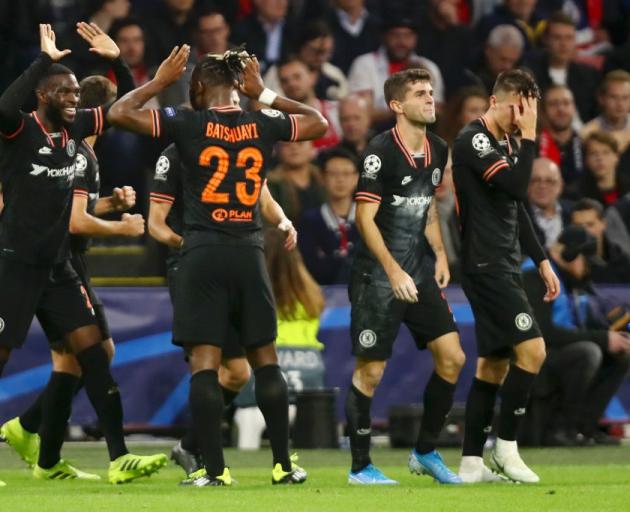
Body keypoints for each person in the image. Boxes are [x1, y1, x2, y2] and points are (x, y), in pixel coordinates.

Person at [107, 46, 328, 486]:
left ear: (200, 87)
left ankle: (214, 470)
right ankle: (284, 466)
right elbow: (318, 123)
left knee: (205, 364)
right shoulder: (261, 122)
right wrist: (265, 94)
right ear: (238, 87)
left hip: (202, 252)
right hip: (249, 250)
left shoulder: (187, 123)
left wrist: (158, 82)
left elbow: (119, 113)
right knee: (265, 361)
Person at [0, 23, 167, 485]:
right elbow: (2, 105)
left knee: (94, 354)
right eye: (65, 92)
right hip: (13, 263)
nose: (75, 99)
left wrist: (118, 61)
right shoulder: (17, 130)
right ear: (43, 96)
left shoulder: (78, 132)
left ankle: (117, 458)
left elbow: (126, 107)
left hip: (57, 267)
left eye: (78, 92)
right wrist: (45, 60)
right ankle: (39, 445)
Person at [345, 68, 465, 485]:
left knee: (452, 358)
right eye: (419, 93)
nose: (430, 98)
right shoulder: (381, 151)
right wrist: (393, 269)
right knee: (371, 372)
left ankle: (426, 452)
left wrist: (440, 255)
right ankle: (361, 467)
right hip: (377, 276)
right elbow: (364, 217)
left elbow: (426, 204)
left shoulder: (438, 148)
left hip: (418, 269)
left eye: (431, 92)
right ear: (397, 106)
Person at [148, 141, 297, 475]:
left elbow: (263, 197)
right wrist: (194, 247)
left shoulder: (243, 146)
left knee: (238, 372)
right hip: (191, 266)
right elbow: (156, 224)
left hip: (234, 260)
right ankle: (209, 466)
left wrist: (283, 221)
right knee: (208, 364)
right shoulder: (177, 153)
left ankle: (189, 446)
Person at [452, 69, 560, 483]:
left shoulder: (503, 142)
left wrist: (543, 260)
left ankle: (470, 463)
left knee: (493, 365)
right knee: (533, 351)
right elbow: (517, 187)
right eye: (524, 107)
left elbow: (514, 211)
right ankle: (507, 447)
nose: (526, 117)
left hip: (504, 262)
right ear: (503, 100)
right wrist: (530, 139)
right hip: (486, 264)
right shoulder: (475, 138)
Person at [522, 225, 630, 446]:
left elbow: (587, 324)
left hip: (560, 351)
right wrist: (601, 339)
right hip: (533, 355)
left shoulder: (573, 281)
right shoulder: (535, 274)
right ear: (571, 255)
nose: (589, 268)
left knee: (619, 353)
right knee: (588, 352)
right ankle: (560, 429)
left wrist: (611, 334)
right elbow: (542, 332)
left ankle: (584, 428)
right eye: (587, 261)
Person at [347, 16, 445, 126]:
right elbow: (362, 114)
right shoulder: (364, 64)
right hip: (376, 133)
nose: (401, 41)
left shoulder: (429, 66)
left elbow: (437, 110)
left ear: (416, 38)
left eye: (407, 36)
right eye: (395, 35)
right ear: (384, 36)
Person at [524, 11, 600, 124]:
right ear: (546, 39)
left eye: (569, 38)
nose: (563, 44)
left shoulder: (589, 75)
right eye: (557, 37)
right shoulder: (530, 74)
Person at [298, 148, 360, 285]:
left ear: (357, 178)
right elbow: (311, 268)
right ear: (322, 178)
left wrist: (329, 259)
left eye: (347, 173)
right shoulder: (309, 221)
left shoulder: (370, 219)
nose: (340, 180)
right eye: (333, 174)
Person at [570, 199, 630, 284]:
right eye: (578, 226)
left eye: (590, 225)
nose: (584, 231)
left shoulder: (621, 259)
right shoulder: (566, 261)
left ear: (603, 224)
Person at [537, 84, 584, 187]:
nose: (561, 109)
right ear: (544, 111)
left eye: (566, 103)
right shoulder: (533, 147)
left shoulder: (586, 145)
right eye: (553, 104)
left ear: (574, 108)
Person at [267, 140, 326, 222]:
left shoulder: (325, 178)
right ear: (277, 150)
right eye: (286, 144)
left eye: (300, 143)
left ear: (312, 147)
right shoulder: (269, 185)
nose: (294, 148)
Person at [527, 157, 573, 249]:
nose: (542, 186)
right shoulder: (515, 216)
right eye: (535, 180)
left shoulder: (574, 212)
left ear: (560, 185)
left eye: (549, 181)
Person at [581, 70, 630, 154]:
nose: (620, 104)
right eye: (614, 97)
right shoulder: (587, 134)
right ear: (601, 99)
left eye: (625, 98)